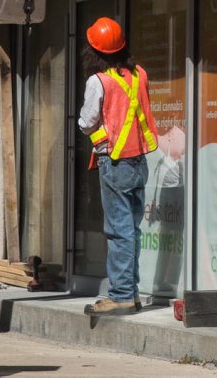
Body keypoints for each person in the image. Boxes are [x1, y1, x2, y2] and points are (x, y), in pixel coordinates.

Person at [79, 17, 158, 316]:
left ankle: (122, 295)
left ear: (95, 50)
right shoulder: (139, 75)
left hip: (115, 162)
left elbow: (86, 123)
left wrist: (94, 131)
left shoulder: (98, 81)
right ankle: (131, 292)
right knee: (131, 230)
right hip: (138, 161)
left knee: (118, 230)